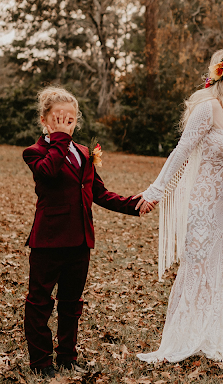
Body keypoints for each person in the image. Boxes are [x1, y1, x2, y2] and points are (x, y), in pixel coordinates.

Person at [134, 40, 223, 363]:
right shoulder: (208, 108)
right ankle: (181, 339)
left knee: (215, 271)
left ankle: (209, 339)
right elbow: (181, 152)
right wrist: (156, 191)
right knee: (196, 268)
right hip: (201, 204)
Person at [22, 87, 142, 378]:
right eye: (59, 119)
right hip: (48, 240)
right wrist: (61, 140)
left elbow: (97, 192)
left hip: (79, 240)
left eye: (71, 120)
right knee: (40, 303)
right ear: (45, 120)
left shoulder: (85, 153)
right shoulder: (35, 152)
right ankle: (41, 362)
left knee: (71, 304)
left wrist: (133, 205)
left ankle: (66, 357)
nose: (65, 124)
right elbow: (49, 172)